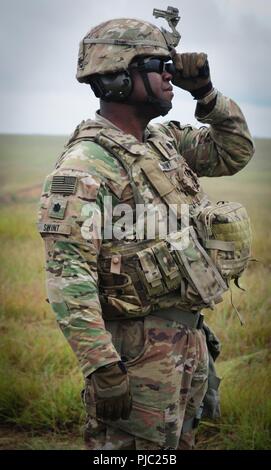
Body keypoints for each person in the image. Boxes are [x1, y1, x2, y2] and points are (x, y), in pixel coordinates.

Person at [37, 15, 254, 450]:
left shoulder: (164, 144)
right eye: (159, 65)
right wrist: (100, 365)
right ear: (118, 76)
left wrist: (206, 94)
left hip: (187, 342)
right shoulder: (86, 164)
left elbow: (235, 151)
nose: (171, 74)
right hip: (134, 355)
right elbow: (69, 275)